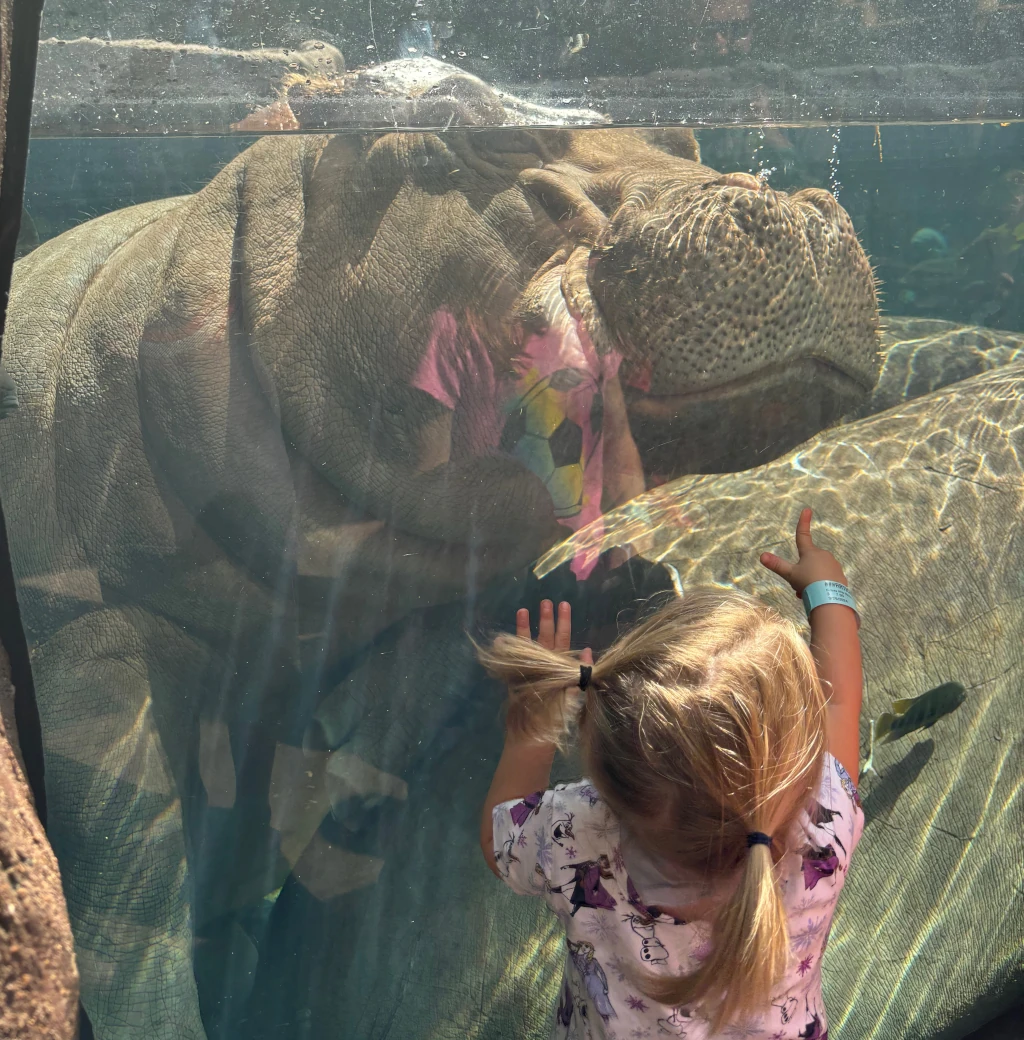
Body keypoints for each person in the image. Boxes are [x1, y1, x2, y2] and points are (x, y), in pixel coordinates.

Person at [477, 508, 863, 1039]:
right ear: (796, 760)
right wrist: (827, 591)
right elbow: (841, 705)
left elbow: (500, 838)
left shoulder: (574, 836)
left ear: (613, 778)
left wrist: (533, 723)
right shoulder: (823, 825)